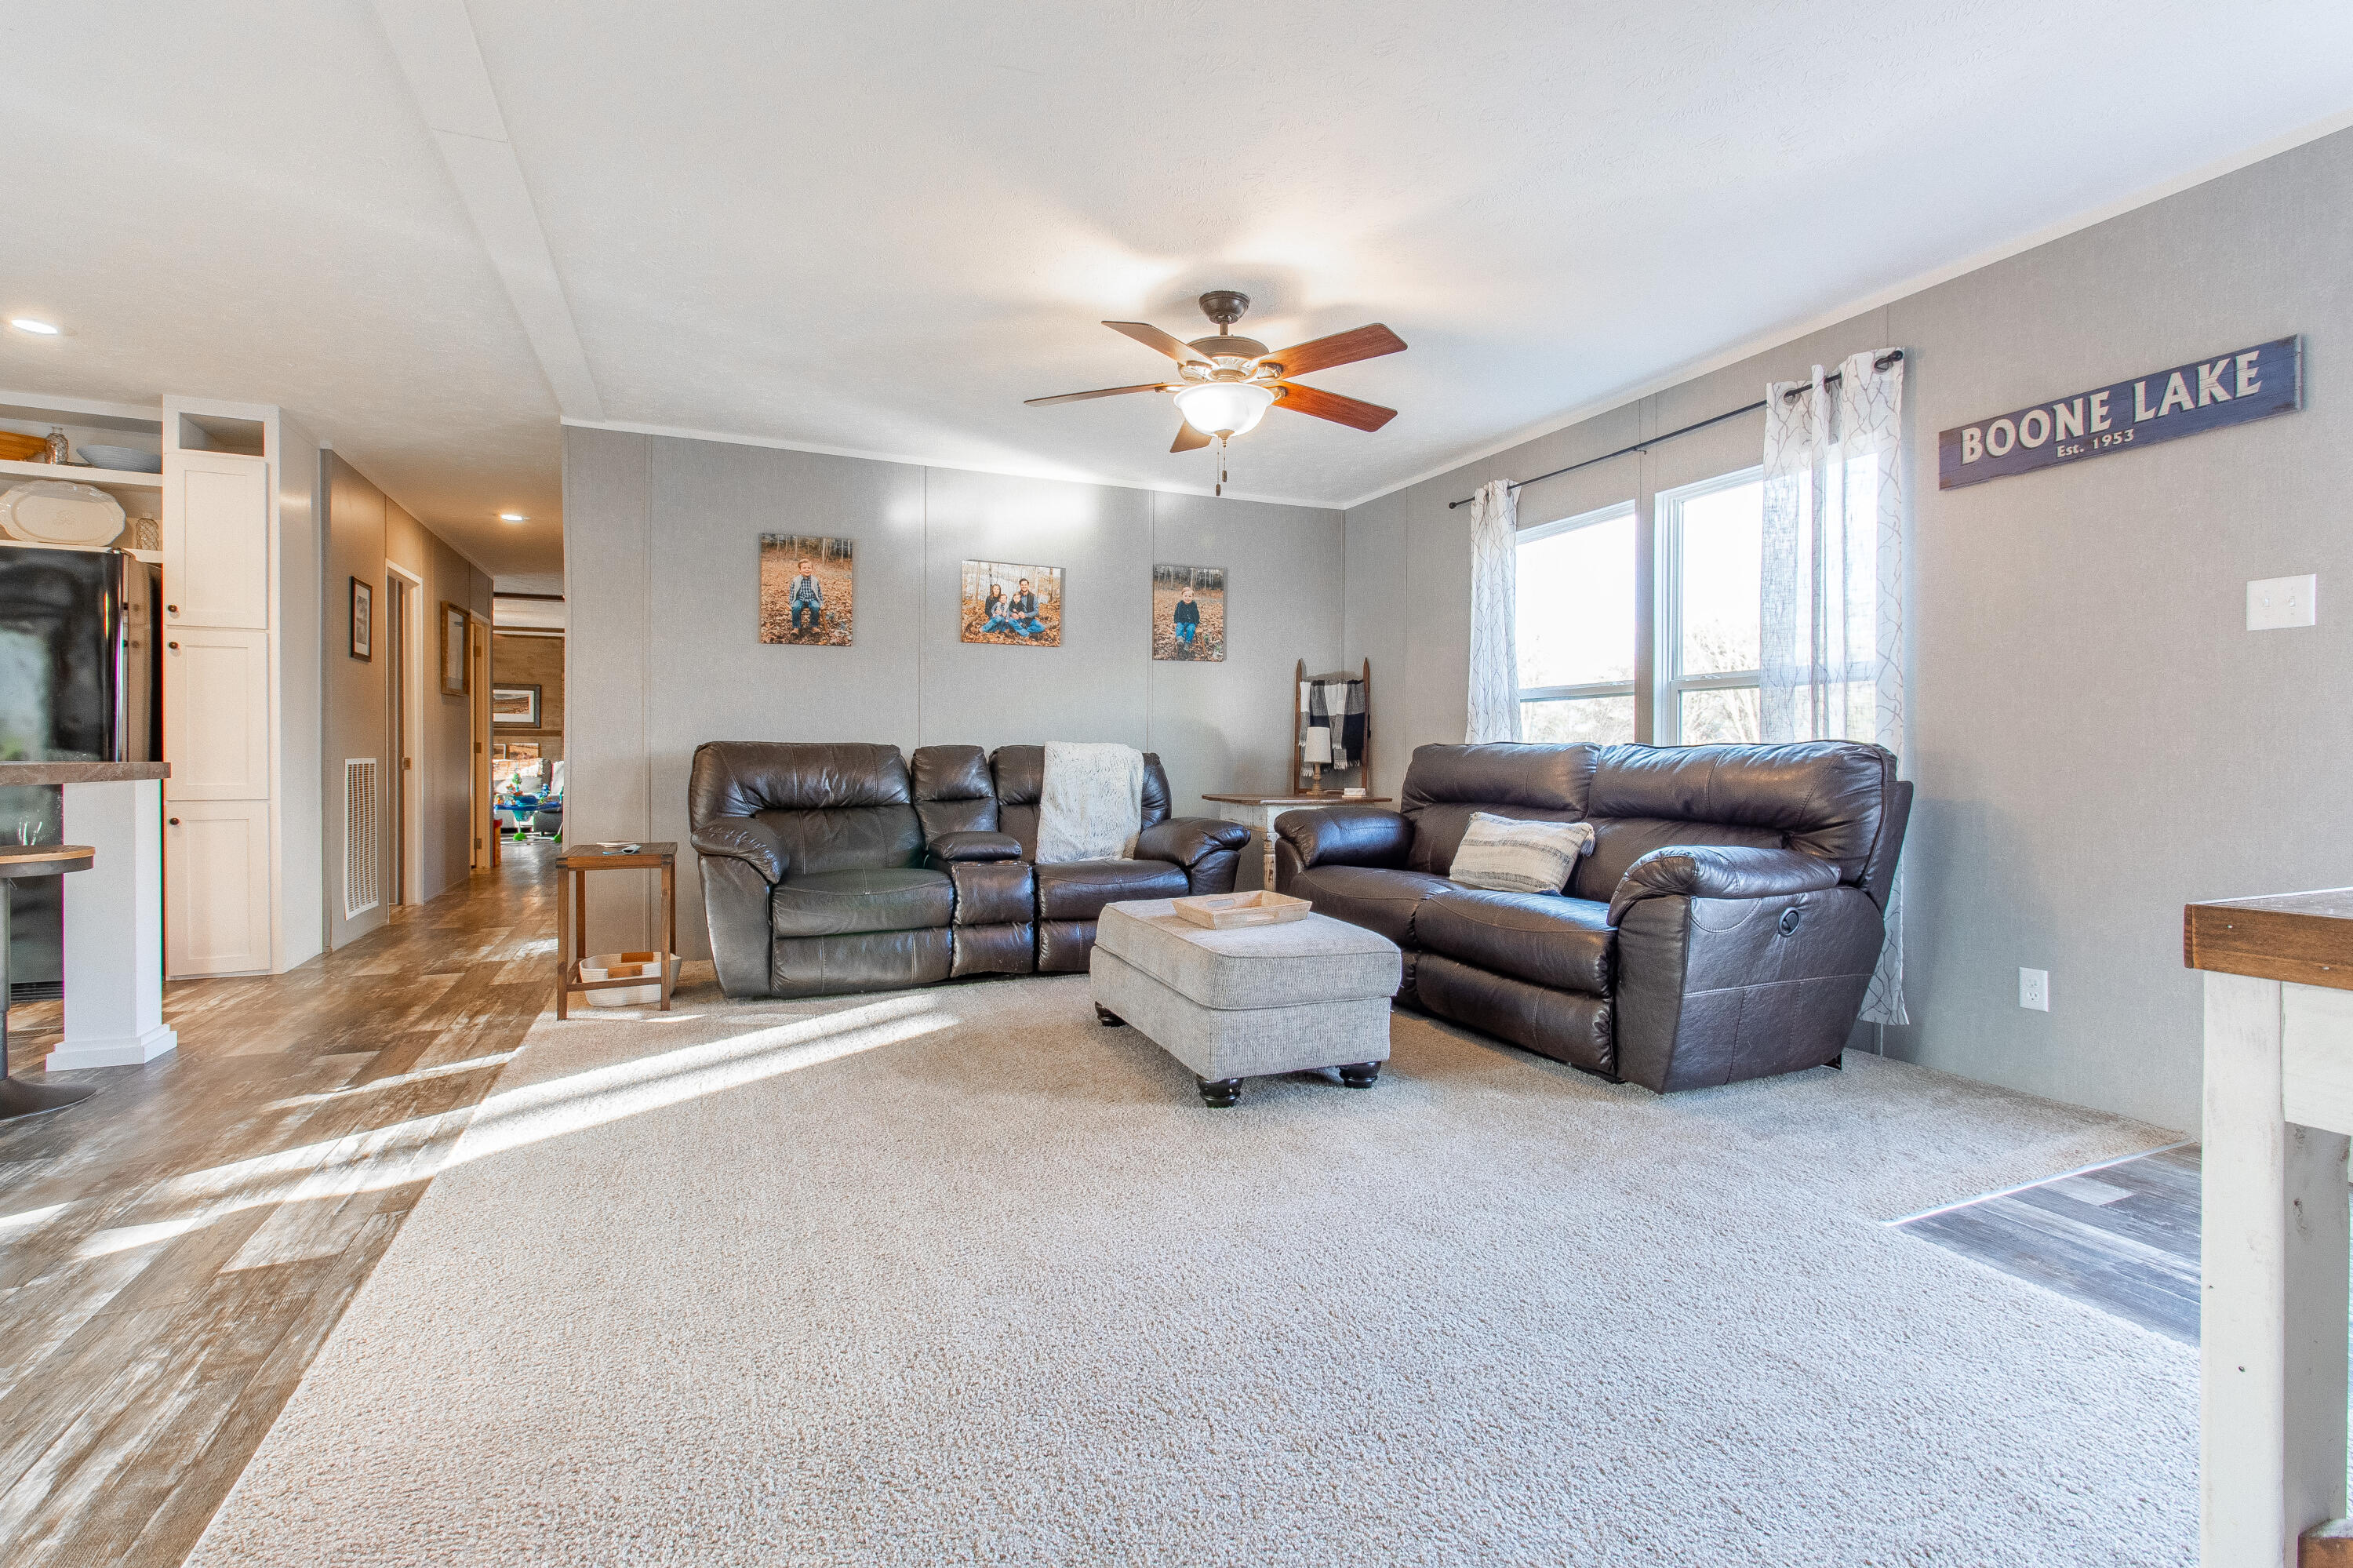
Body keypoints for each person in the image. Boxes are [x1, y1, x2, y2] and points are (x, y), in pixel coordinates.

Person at [787, 557, 823, 635]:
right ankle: (796, 627)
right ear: (800, 570)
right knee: (796, 607)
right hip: (800, 599)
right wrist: (791, 603)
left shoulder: (815, 580)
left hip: (812, 599)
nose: (807, 569)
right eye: (804, 568)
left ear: (812, 569)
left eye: (809, 568)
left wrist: (821, 603)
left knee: (815, 607)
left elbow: (819, 593)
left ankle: (814, 626)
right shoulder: (795, 580)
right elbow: (792, 593)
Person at [1172, 584, 1200, 655]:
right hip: (1181, 621)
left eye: (1190, 596)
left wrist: (1196, 623)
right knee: (1179, 626)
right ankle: (1180, 639)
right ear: (1182, 596)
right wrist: (1175, 621)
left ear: (1192, 597)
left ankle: (1187, 643)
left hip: (1191, 623)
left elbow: (1197, 614)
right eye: (1185, 596)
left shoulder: (1194, 605)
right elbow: (1176, 614)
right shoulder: (1180, 604)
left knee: (1191, 629)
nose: (1187, 598)